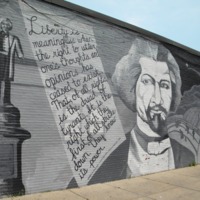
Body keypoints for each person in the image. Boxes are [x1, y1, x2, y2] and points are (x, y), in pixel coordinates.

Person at [111, 37, 193, 177]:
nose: (157, 98)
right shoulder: (111, 160)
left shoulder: (187, 154)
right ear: (132, 89)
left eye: (164, 85)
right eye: (147, 81)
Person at [0, 18, 23, 105]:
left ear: (9, 27)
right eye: (3, 24)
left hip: (7, 60)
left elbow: (20, 54)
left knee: (7, 81)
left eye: (7, 25)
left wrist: (21, 55)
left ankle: (6, 101)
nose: (5, 26)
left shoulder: (14, 38)